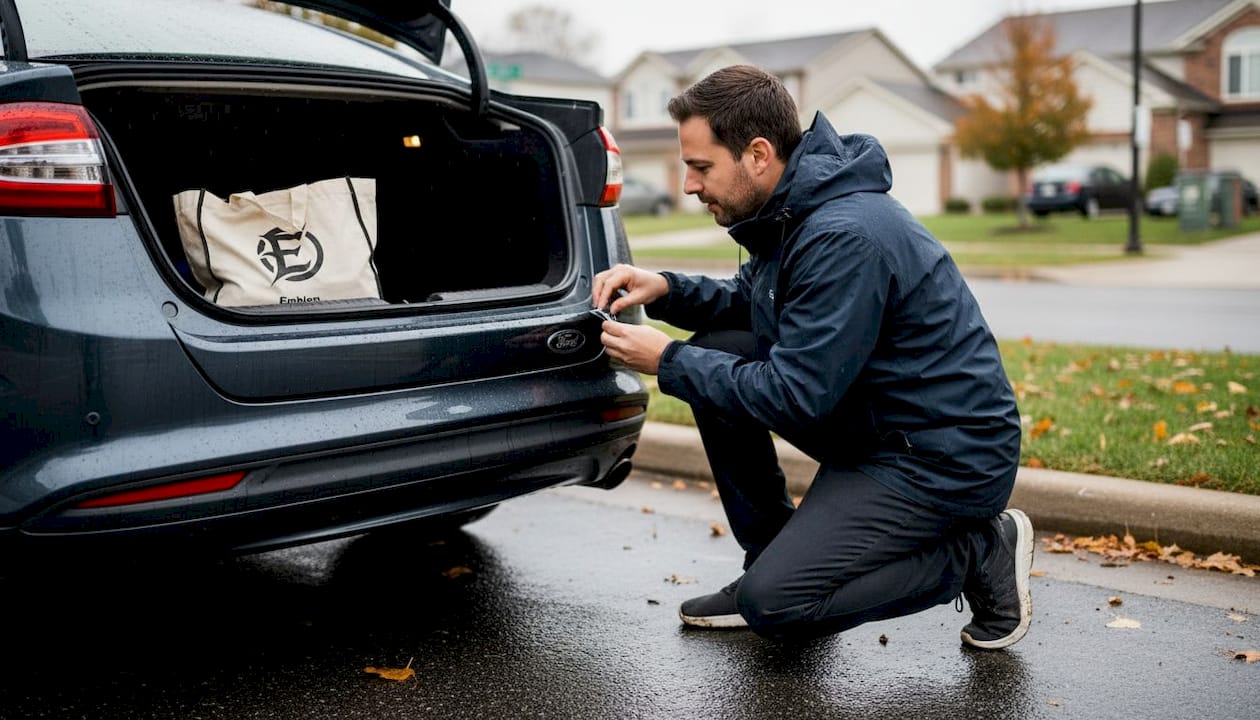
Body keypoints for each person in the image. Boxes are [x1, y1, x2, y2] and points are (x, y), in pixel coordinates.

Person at [591, 64, 1031, 650]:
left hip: (943, 457)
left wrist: (666, 360)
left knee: (777, 604)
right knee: (720, 349)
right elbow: (755, 305)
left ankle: (981, 552)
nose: (690, 185)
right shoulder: (792, 210)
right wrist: (668, 288)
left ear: (757, 154)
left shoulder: (843, 235)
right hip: (877, 427)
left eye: (700, 167)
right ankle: (771, 556)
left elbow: (795, 392)